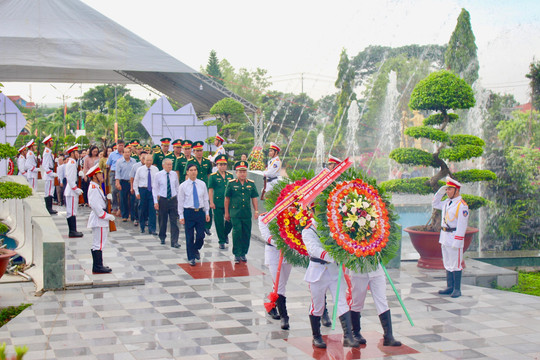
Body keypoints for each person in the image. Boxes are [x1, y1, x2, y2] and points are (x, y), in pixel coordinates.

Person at [302, 217, 359, 349]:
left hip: (334, 272)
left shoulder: (333, 226)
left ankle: (348, 337)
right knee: (318, 306)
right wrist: (334, 257)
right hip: (317, 272)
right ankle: (316, 336)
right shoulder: (308, 230)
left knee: (342, 302)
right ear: (312, 211)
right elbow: (313, 249)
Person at [432, 176, 469, 298]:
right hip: (445, 236)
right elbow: (435, 203)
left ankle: (457, 289)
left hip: (454, 236)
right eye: (446, 189)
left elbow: (462, 225)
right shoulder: (447, 203)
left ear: (456, 190)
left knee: (456, 263)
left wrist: (458, 241)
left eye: (449, 189)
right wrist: (441, 191)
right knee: (447, 262)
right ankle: (450, 286)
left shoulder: (462, 206)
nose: (447, 191)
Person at [348, 265, 402, 346]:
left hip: (376, 270)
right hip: (358, 271)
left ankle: (388, 336)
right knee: (357, 302)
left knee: (382, 301)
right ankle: (355, 333)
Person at [258, 212, 293, 330]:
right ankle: (284, 317)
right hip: (273, 252)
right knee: (280, 285)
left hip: (287, 252)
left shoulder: (287, 213)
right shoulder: (264, 217)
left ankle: (271, 304)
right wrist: (280, 242)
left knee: (280, 283)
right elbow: (266, 235)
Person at [224, 161, 259, 263]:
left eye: (244, 171)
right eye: (240, 172)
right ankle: (237, 253)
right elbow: (227, 199)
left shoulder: (251, 184)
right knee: (237, 232)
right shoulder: (231, 184)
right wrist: (226, 213)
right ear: (236, 172)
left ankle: (243, 253)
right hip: (235, 213)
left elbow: (254, 198)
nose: (242, 174)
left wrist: (256, 210)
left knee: (246, 233)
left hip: (246, 213)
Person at [178, 163, 210, 266]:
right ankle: (191, 257)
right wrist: (181, 216)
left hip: (200, 212)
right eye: (191, 170)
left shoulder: (202, 184)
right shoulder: (183, 186)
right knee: (189, 236)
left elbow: (205, 199)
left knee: (201, 235)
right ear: (187, 172)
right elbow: (180, 202)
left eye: (195, 170)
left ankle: (196, 248)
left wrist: (207, 212)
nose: (193, 172)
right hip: (189, 212)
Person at [86, 164, 115, 273]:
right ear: (94, 176)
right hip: (99, 219)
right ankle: (98, 266)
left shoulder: (96, 186)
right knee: (98, 243)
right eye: (99, 174)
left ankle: (98, 265)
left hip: (100, 218)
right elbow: (95, 206)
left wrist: (107, 199)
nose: (101, 175)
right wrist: (107, 216)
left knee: (99, 242)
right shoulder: (93, 188)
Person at [185, 141, 213, 235]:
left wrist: (210, 186)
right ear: (194, 152)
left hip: (204, 185)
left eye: (201, 150)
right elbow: (187, 174)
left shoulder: (207, 161)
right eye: (197, 151)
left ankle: (207, 226)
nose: (199, 152)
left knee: (207, 204)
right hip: (194, 185)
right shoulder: (190, 161)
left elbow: (209, 174)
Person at [153, 158, 180, 248]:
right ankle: (162, 237)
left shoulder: (174, 174)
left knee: (174, 221)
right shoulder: (158, 175)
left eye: (171, 164)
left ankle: (174, 241)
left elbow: (177, 187)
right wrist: (155, 201)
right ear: (163, 165)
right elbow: (155, 188)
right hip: (163, 199)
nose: (170, 166)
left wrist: (178, 200)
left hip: (172, 199)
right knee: (162, 220)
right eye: (168, 164)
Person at [208, 154, 233, 250]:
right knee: (219, 223)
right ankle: (221, 241)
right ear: (217, 165)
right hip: (217, 202)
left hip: (229, 203)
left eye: (224, 164)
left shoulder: (230, 176)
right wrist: (211, 202)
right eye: (220, 164)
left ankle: (225, 233)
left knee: (230, 221)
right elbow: (210, 189)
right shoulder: (213, 176)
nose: (222, 166)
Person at [134, 154, 158, 234]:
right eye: (147, 160)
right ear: (144, 161)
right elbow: (136, 181)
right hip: (143, 190)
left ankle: (152, 229)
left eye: (150, 160)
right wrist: (137, 192)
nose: (149, 162)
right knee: (142, 209)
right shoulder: (140, 169)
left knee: (152, 210)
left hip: (152, 190)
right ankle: (142, 226)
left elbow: (158, 182)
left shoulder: (155, 169)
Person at [64, 145, 84, 238]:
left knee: (72, 211)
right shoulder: (71, 163)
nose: (78, 154)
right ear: (72, 153)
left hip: (71, 190)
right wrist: (76, 189)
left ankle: (73, 230)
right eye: (76, 152)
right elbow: (71, 180)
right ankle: (72, 231)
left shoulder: (72, 162)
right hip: (71, 191)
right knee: (71, 212)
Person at [115, 146, 136, 222]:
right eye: (125, 152)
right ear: (122, 153)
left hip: (132, 182)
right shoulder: (119, 162)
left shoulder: (134, 161)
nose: (127, 154)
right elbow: (117, 173)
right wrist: (117, 183)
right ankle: (124, 215)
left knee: (133, 199)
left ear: (130, 153)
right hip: (123, 182)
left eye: (128, 152)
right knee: (123, 199)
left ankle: (133, 216)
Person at [40, 135, 58, 214]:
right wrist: (51, 173)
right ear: (48, 143)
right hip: (49, 175)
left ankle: (49, 208)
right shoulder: (47, 152)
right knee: (49, 192)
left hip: (50, 174)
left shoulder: (48, 151)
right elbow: (45, 165)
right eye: (51, 141)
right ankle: (49, 208)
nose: (52, 143)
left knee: (50, 191)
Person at [106, 140, 125, 215]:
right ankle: (114, 207)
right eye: (119, 145)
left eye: (122, 145)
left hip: (123, 174)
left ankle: (121, 208)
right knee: (114, 190)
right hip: (113, 173)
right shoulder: (112, 154)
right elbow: (108, 164)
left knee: (122, 191)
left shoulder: (125, 154)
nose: (121, 147)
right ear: (116, 146)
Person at [129, 152, 146, 227]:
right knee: (136, 203)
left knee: (145, 204)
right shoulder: (135, 166)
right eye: (143, 158)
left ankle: (145, 219)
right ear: (139, 157)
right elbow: (132, 177)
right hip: (138, 187)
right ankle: (136, 218)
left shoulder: (150, 167)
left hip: (146, 188)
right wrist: (132, 187)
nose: (144, 159)